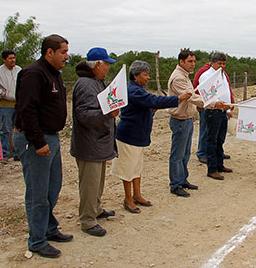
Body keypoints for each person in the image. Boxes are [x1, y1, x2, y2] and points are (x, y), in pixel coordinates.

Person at [14, 34, 72, 258]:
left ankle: (49, 228)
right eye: (63, 52)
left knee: (52, 187)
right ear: (50, 52)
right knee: (38, 193)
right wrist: (38, 142)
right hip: (37, 140)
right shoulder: (33, 74)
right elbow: (27, 110)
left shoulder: (54, 74)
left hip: (52, 138)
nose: (67, 57)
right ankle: (37, 240)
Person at [110, 60, 191, 213]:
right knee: (128, 168)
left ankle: (137, 195)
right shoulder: (134, 91)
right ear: (135, 76)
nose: (148, 78)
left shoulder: (138, 89)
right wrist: (178, 98)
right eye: (145, 75)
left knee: (136, 167)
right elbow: (153, 100)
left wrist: (151, 109)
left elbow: (148, 104)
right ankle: (128, 199)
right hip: (129, 136)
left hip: (138, 135)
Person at [71, 47, 120, 237]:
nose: (108, 68)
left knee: (97, 181)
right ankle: (87, 220)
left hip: (98, 142)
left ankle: (95, 210)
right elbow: (84, 115)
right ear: (97, 65)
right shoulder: (86, 84)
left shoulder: (95, 82)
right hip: (89, 143)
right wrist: (108, 112)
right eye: (106, 64)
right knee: (90, 183)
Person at [167, 50, 228, 197]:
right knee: (178, 154)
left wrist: (192, 113)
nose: (193, 64)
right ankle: (175, 184)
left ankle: (182, 180)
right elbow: (193, 97)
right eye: (189, 61)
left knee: (185, 153)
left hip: (186, 118)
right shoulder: (178, 78)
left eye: (194, 61)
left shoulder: (184, 76)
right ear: (181, 62)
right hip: (180, 120)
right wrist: (214, 104)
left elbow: (191, 97)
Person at [198, 52, 234, 181]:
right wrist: (220, 105)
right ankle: (211, 168)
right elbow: (208, 95)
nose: (222, 66)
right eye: (219, 63)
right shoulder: (206, 76)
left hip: (223, 111)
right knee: (211, 140)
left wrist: (228, 107)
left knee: (220, 139)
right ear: (212, 63)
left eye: (224, 63)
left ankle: (219, 164)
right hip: (213, 111)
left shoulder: (222, 75)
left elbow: (226, 91)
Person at [0, 49, 21, 161]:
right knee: (5, 130)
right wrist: (3, 94)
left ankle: (18, 153)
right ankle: (4, 153)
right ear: (4, 59)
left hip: (18, 104)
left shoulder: (19, 70)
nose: (13, 60)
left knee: (18, 129)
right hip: (5, 105)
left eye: (14, 58)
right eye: (10, 58)